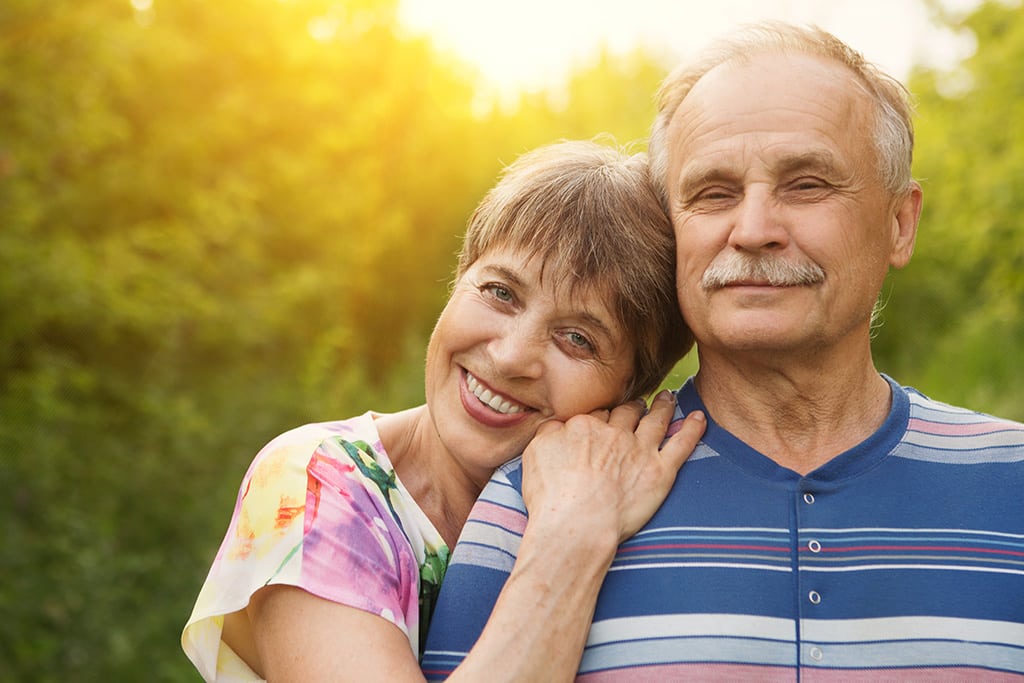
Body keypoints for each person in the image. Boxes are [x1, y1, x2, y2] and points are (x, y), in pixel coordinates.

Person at [422, 22, 1024, 681]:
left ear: (898, 223)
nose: (755, 230)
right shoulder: (532, 507)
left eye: (807, 184)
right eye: (713, 194)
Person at [181, 139, 708, 682]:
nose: (508, 357)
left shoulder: (648, 507)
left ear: (633, 391)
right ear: (459, 278)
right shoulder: (313, 483)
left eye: (576, 338)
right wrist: (572, 540)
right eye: (501, 292)